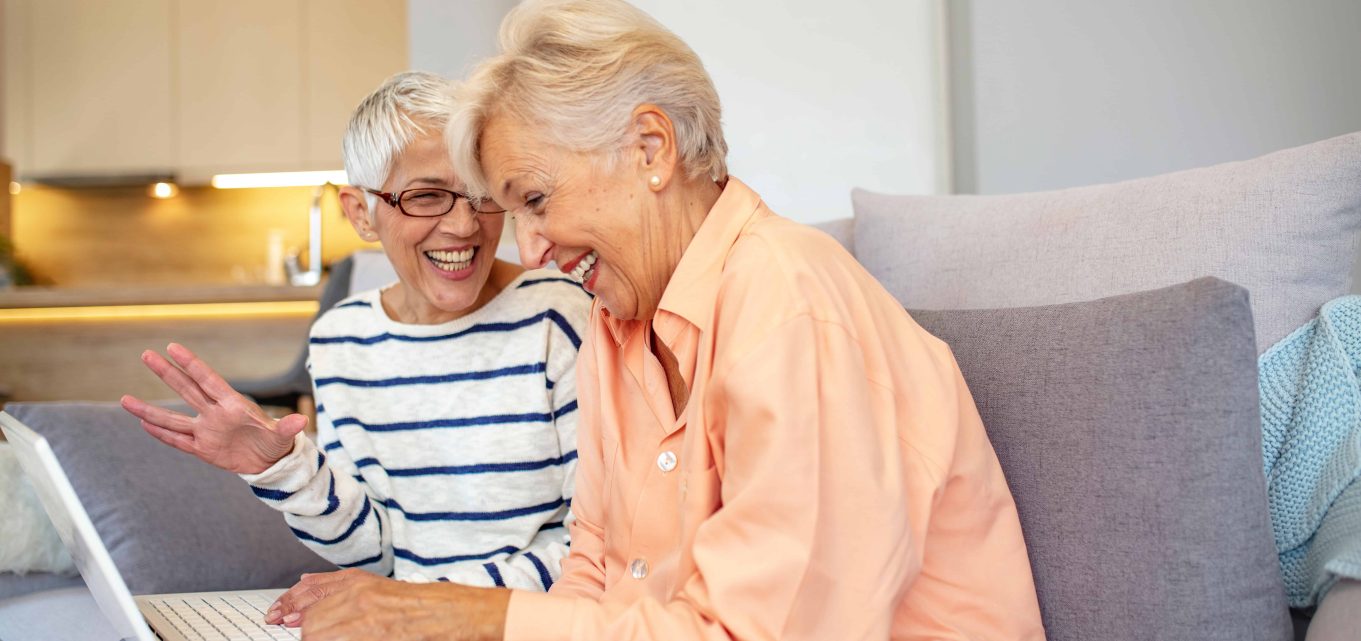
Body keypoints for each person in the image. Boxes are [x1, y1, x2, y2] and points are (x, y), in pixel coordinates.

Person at [272, 2, 1046, 639]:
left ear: (650, 148)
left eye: (534, 200)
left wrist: (467, 618)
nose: (529, 251)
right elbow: (592, 573)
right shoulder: (616, 327)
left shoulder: (788, 303)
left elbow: (760, 630)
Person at [119, 71, 592, 599]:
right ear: (361, 213)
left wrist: (420, 605)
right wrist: (281, 470)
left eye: (481, 193)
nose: (464, 225)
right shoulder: (340, 342)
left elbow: (599, 549)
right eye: (427, 196)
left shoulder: (560, 317)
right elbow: (375, 552)